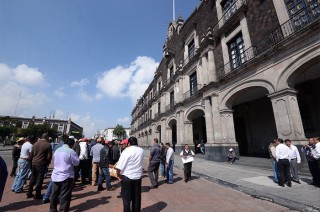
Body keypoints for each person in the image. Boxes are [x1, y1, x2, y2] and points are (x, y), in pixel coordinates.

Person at [50, 137, 80, 212]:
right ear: (72, 144)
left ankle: (52, 209)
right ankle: (63, 210)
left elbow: (54, 160)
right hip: (66, 176)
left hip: (56, 175)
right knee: (65, 195)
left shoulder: (57, 150)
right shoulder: (71, 151)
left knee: (54, 194)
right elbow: (76, 163)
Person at [116, 137, 144, 212]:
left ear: (129, 143)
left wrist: (118, 175)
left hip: (127, 177)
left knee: (126, 198)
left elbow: (119, 166)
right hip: (137, 177)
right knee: (136, 197)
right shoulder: (141, 150)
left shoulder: (126, 151)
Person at [27, 133, 52, 199]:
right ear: (47, 137)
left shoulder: (35, 144)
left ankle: (29, 192)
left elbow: (31, 154)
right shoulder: (48, 144)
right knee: (40, 179)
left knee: (33, 178)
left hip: (34, 163)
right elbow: (49, 156)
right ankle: (37, 194)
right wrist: (47, 163)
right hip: (42, 163)